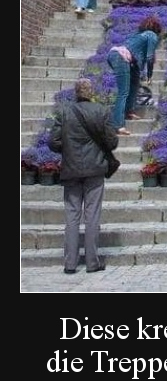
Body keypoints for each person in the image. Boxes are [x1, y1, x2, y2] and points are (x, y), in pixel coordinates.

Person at [48, 77, 119, 273]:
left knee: (72, 216)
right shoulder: (101, 111)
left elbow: (53, 142)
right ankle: (92, 262)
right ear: (91, 93)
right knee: (92, 216)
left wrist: (68, 148)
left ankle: (70, 264)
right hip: (95, 169)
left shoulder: (64, 111)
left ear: (76, 93)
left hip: (71, 169)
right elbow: (112, 143)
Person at [107, 16, 164, 134]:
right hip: (121, 57)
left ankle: (129, 111)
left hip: (118, 55)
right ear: (157, 29)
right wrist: (149, 75)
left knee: (134, 84)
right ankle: (118, 125)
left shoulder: (139, 34)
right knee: (123, 92)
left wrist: (141, 73)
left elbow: (138, 57)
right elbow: (149, 57)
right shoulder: (152, 36)